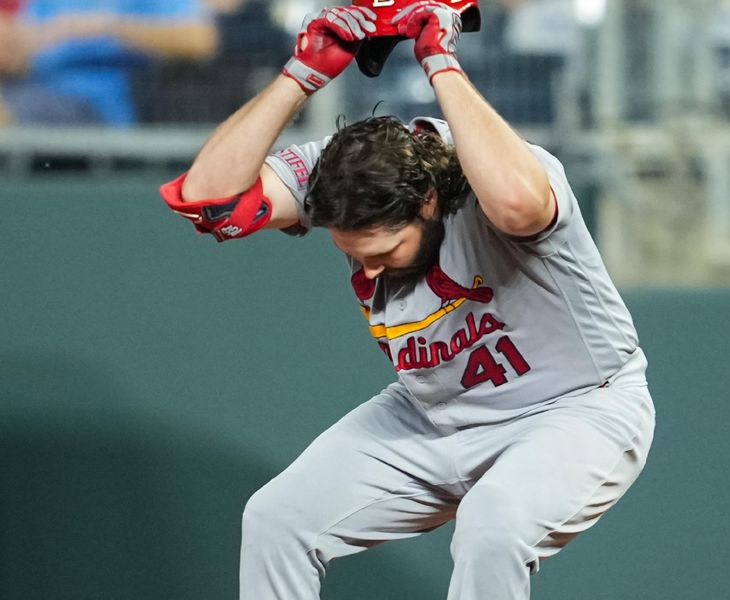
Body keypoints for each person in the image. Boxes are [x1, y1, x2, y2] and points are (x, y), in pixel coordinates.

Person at [160, 2, 656, 598]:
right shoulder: (342, 171)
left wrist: (440, 60)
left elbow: (522, 206)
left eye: (385, 249)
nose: (368, 268)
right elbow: (209, 199)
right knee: (278, 519)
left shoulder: (488, 175)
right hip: (431, 413)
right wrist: (302, 73)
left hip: (574, 409)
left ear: (425, 202)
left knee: (493, 526)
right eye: (355, 251)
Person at [1, 0, 217, 126]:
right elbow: (25, 51)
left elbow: (200, 41)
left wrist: (110, 26)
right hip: (27, 87)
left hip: (97, 103)